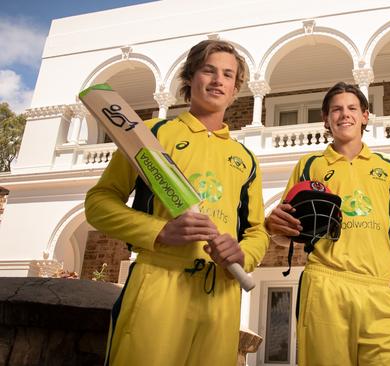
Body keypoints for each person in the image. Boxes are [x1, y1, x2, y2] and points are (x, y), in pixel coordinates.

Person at [85, 39, 268, 365]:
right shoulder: (151, 134)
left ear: (236, 87)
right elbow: (99, 202)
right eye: (208, 70)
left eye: (228, 74)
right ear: (190, 77)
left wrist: (244, 254)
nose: (217, 80)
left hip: (221, 295)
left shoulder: (246, 159)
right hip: (159, 283)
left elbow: (257, 231)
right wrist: (159, 231)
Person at [265, 82, 390, 365]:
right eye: (336, 109)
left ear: (365, 115)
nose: (345, 114)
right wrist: (274, 227)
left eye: (352, 108)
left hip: (379, 289)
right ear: (325, 119)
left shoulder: (388, 166)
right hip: (325, 285)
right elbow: (287, 233)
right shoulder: (309, 164)